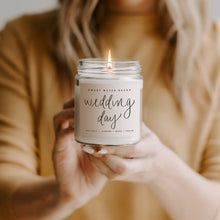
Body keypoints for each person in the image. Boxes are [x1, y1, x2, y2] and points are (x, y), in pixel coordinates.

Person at [0, 0, 220, 219]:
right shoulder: (25, 39)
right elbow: (5, 187)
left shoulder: (214, 49)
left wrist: (159, 169)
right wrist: (63, 196)